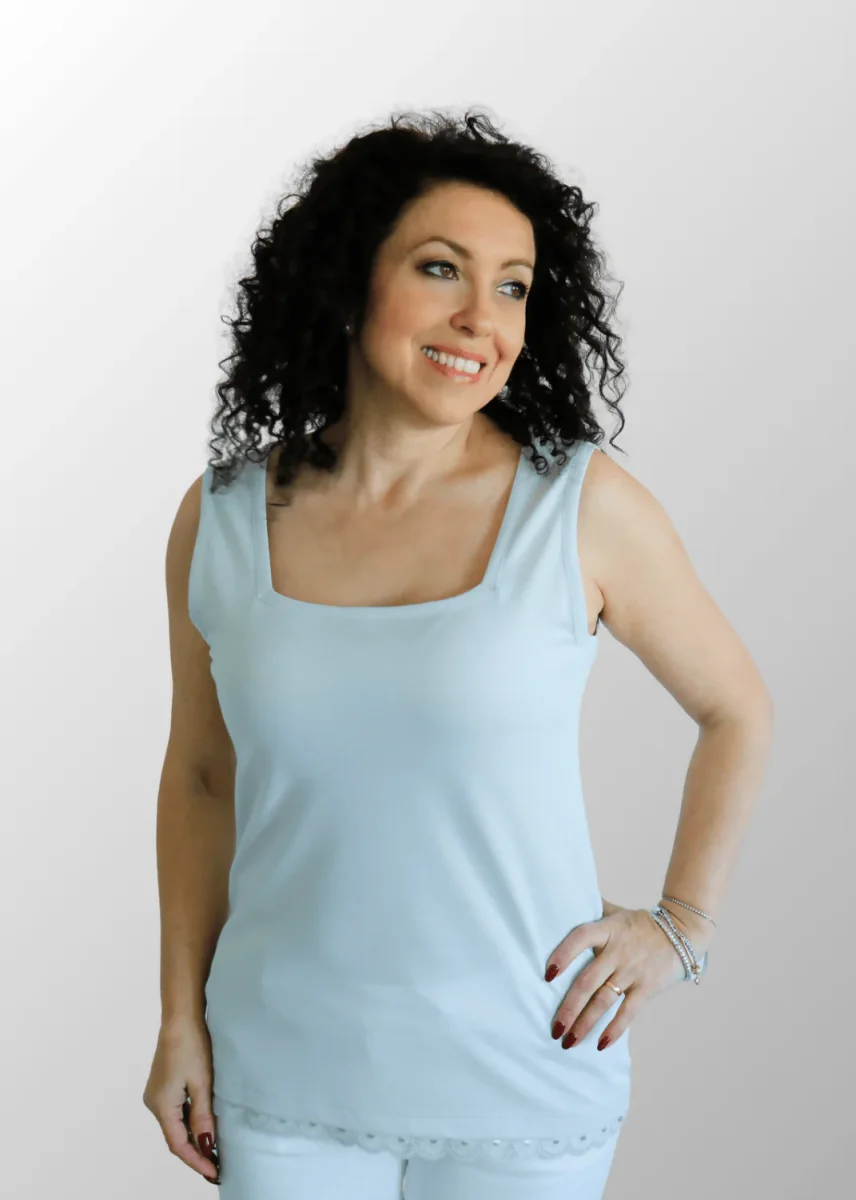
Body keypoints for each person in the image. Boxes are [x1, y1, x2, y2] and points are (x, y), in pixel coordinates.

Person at [143, 108, 774, 1199]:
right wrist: (176, 1021)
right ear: (349, 281)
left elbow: (736, 710)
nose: (482, 319)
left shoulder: (581, 508)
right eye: (441, 269)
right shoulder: (223, 515)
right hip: (280, 1068)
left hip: (526, 1071)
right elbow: (202, 777)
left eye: (513, 286)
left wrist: (682, 927)